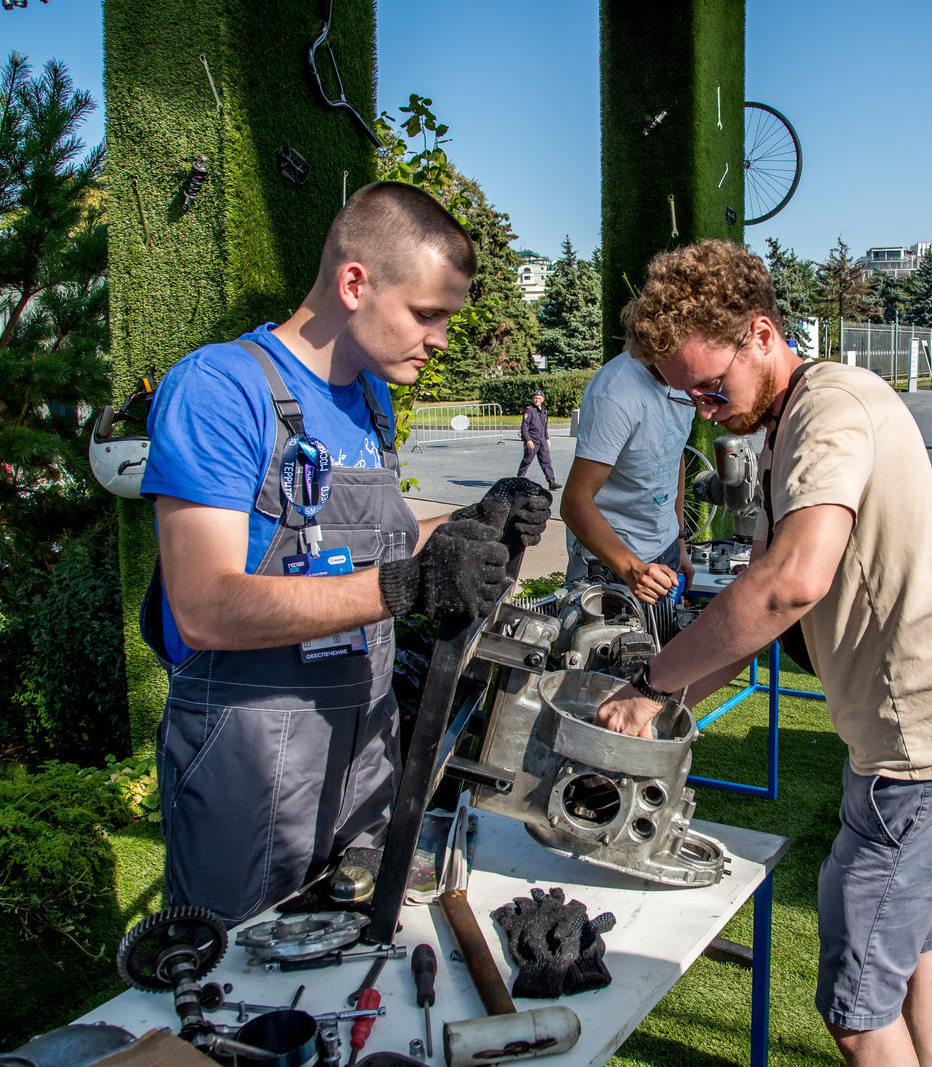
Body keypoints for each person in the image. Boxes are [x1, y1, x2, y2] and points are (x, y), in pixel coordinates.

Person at [594, 241, 932, 1067]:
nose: (707, 409)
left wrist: (652, 682)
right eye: (690, 396)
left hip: (919, 754)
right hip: (910, 745)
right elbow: (760, 607)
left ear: (761, 332)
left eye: (713, 387)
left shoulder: (829, 406)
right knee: (919, 940)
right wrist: (670, 699)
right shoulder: (794, 422)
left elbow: (791, 582)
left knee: (855, 1006)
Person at [139, 181, 551, 925]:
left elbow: (374, 543)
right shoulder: (219, 389)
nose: (441, 339)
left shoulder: (368, 398)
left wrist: (474, 524)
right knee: (240, 998)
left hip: (366, 735)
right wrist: (405, 588)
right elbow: (202, 606)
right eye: (428, 314)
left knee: (361, 966)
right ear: (355, 282)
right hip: (252, 749)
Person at [560, 343, 696, 604]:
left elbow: (672, 452)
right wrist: (633, 568)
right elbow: (575, 502)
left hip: (665, 550)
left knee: (661, 644)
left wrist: (679, 543)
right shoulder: (615, 393)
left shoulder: (683, 378)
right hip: (609, 562)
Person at [517, 388, 560, 489]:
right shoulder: (529, 410)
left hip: (542, 440)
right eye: (535, 398)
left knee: (546, 461)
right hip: (533, 440)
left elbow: (544, 426)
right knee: (527, 461)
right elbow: (524, 427)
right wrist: (528, 440)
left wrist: (547, 438)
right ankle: (519, 479)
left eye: (539, 398)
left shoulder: (544, 410)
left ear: (543, 400)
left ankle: (551, 481)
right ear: (533, 399)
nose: (537, 400)